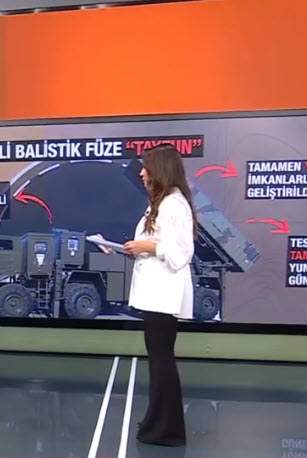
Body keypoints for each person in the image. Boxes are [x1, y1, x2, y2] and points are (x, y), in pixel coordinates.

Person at [122, 144, 199, 447]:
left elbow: (181, 252)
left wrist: (144, 247)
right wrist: (137, 249)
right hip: (155, 294)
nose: (142, 173)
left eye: (147, 168)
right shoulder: (162, 203)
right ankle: (158, 422)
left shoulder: (174, 205)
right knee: (157, 360)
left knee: (162, 359)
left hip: (164, 295)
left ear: (161, 170)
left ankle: (168, 431)